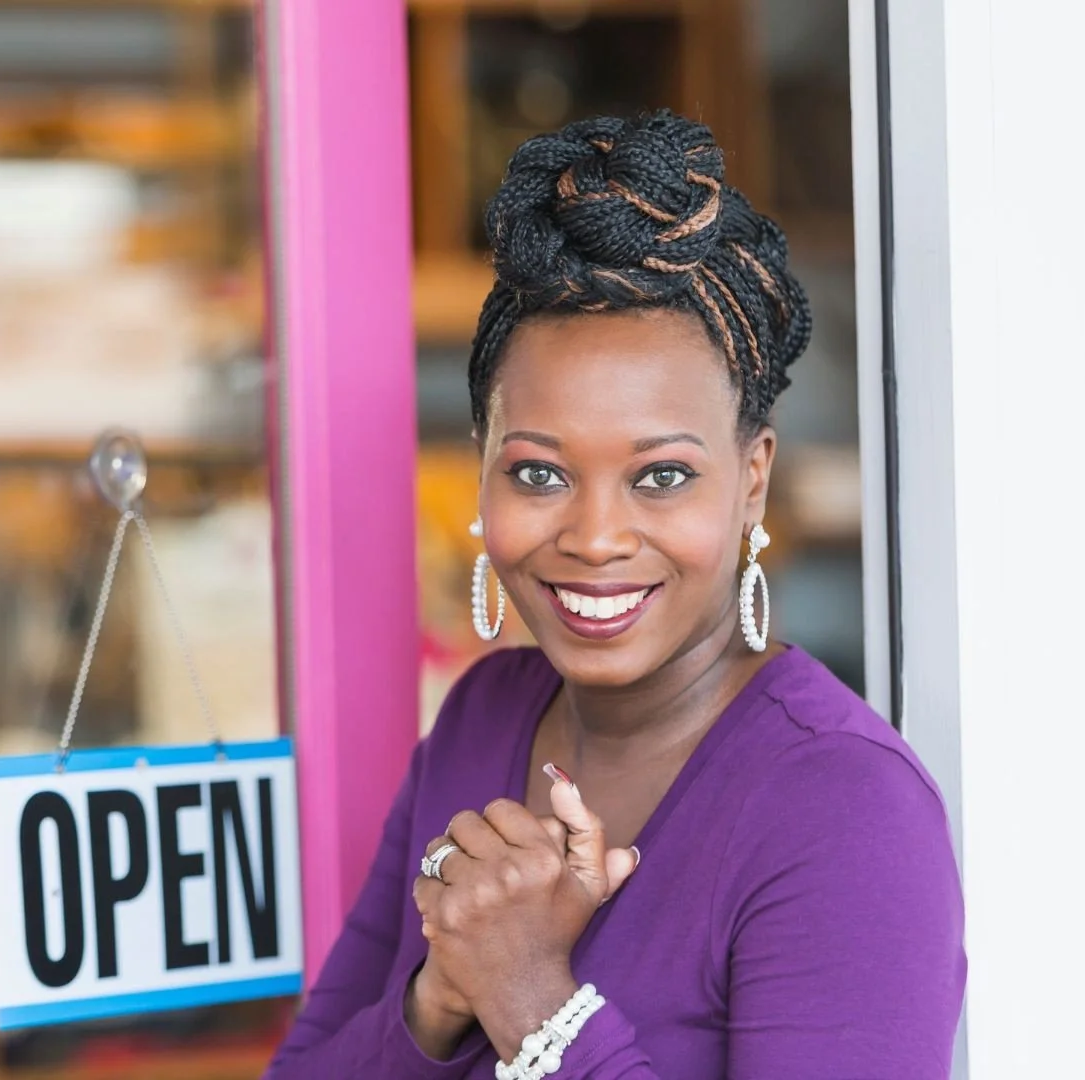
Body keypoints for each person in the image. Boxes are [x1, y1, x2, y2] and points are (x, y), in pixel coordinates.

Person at [262, 111, 965, 1079]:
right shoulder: (480, 719)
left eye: (662, 477)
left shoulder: (844, 810)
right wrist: (440, 993)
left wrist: (529, 996)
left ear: (751, 478)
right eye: (540, 475)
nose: (593, 538)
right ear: (483, 473)